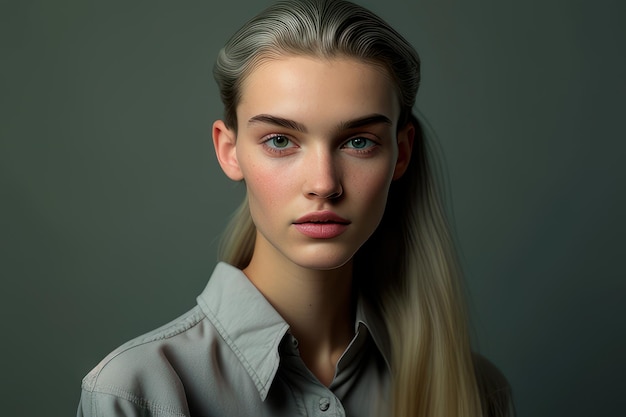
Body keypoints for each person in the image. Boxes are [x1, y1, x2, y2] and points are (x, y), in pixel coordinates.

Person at [77, 0, 514, 416]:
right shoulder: (136, 392)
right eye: (280, 140)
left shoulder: (476, 392)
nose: (323, 184)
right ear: (229, 151)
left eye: (358, 141)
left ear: (400, 154)